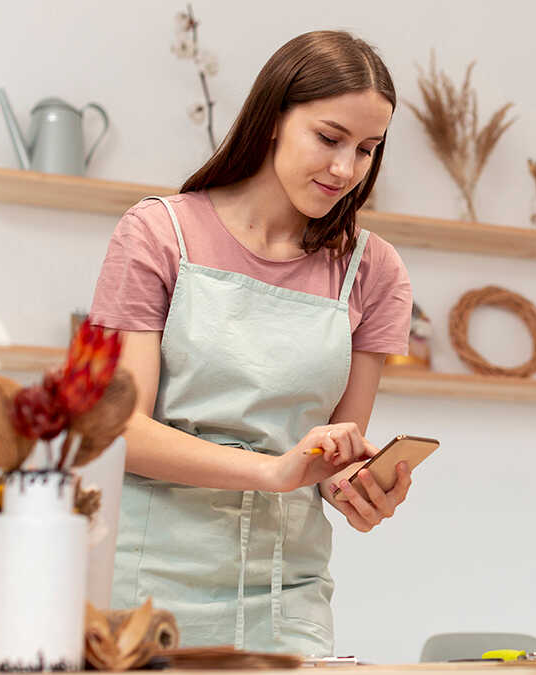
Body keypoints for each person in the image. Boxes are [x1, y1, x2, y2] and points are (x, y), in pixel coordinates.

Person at [88, 31, 413, 656]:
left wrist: (360, 489)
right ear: (272, 119)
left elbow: (331, 460)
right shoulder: (159, 234)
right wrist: (273, 472)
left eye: (368, 149)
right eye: (329, 137)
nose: (346, 169)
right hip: (146, 587)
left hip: (288, 593)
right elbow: (119, 429)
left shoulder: (374, 270)